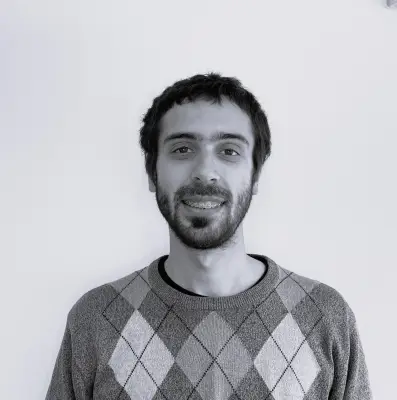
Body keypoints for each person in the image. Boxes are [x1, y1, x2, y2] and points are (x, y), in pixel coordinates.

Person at [45, 73, 373, 399]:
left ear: (256, 175)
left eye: (229, 151)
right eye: (182, 149)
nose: (205, 171)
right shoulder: (96, 319)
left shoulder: (324, 317)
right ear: (152, 172)